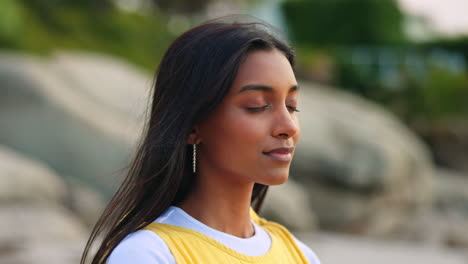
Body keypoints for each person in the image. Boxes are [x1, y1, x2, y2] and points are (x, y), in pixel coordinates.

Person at [81, 17, 321, 264]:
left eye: (292, 106)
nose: (288, 127)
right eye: (257, 106)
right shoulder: (148, 254)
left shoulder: (300, 255)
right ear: (192, 126)